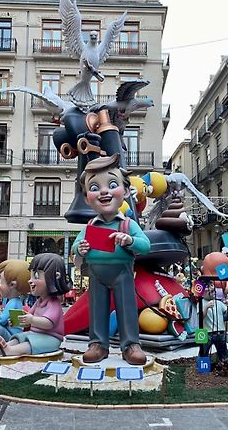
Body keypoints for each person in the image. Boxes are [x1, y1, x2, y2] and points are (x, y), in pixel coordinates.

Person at [72, 154, 151, 365]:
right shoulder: (90, 226)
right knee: (97, 309)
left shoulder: (128, 224)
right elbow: (75, 248)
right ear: (87, 196)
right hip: (96, 275)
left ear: (125, 191)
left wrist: (128, 240)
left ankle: (131, 345)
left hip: (122, 274)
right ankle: (97, 344)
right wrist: (80, 248)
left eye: (112, 184)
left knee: (127, 308)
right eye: (95, 187)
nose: (104, 191)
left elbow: (145, 245)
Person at [0, 253, 71, 356]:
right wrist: (18, 320)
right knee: (20, 337)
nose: (30, 281)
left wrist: (31, 320)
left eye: (35, 276)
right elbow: (27, 317)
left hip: (51, 338)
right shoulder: (38, 302)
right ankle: (4, 345)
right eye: (31, 276)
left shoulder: (53, 303)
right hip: (36, 334)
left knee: (29, 344)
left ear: (56, 276)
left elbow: (49, 323)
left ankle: (9, 350)